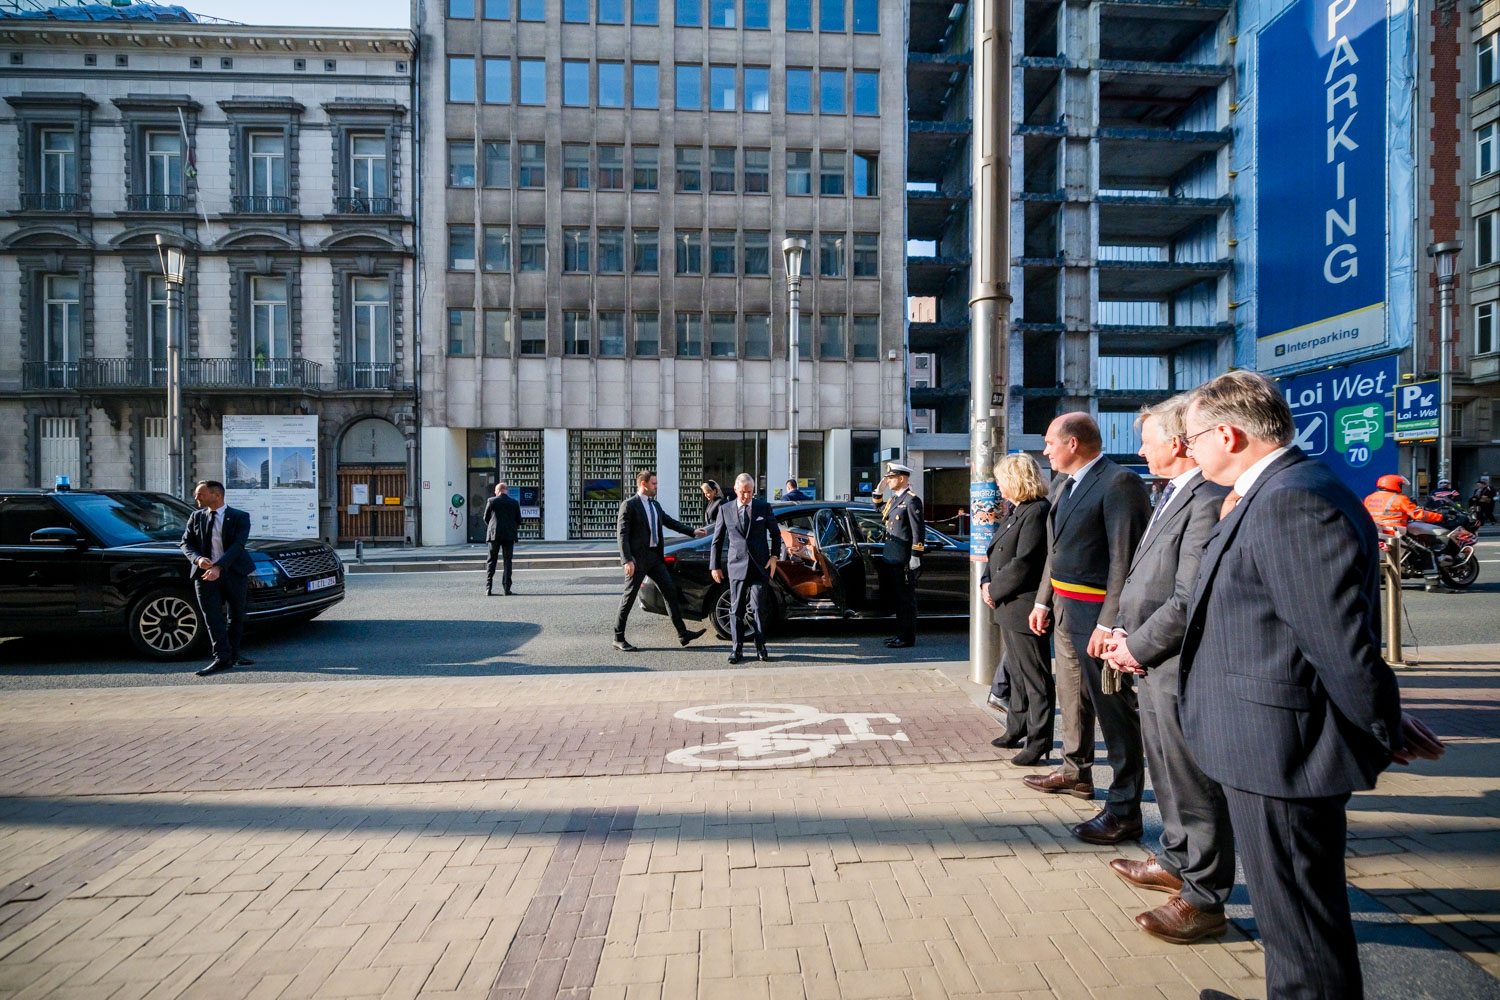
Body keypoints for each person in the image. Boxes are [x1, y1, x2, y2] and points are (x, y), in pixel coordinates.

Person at [1180, 370, 1445, 1000]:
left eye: (1192, 439)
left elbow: (1336, 639)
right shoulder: (1274, 490)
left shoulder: (1292, 499)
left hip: (1281, 752)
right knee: (1287, 916)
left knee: (1300, 922)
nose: (1188, 451)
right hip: (1266, 741)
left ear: (1227, 434)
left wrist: (1379, 723)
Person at [1099, 396, 1234, 946]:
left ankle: (1204, 898)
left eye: (1147, 440)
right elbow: (1144, 577)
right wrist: (1122, 631)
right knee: (1165, 770)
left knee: (1192, 781)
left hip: (1177, 662)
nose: (1141, 450)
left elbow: (1187, 597)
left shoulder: (1207, 498)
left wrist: (1137, 646)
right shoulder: (1173, 492)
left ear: (1177, 443)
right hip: (1152, 660)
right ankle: (1176, 861)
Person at [1025, 413, 1152, 844]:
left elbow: (1125, 560)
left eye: (1050, 442)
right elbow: (1056, 550)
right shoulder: (1065, 484)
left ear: (1073, 443)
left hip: (1097, 616)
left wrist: (1109, 623)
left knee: (1114, 712)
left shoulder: (1119, 483)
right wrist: (1043, 600)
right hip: (1066, 609)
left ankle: (1124, 809)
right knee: (1073, 698)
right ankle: (1075, 772)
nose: (1045, 450)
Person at [980, 453, 1053, 765]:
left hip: (1024, 605)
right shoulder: (1018, 511)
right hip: (1009, 605)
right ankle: (1016, 727)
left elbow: (1025, 562)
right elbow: (996, 551)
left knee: (1035, 678)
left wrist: (994, 589)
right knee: (1018, 675)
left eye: (1001, 480)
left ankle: (1039, 741)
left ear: (1016, 480)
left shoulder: (1036, 511)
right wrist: (986, 581)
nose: (998, 486)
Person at [613, 470, 708, 652]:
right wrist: (627, 560)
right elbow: (622, 534)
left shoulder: (654, 505)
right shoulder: (630, 505)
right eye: (654, 484)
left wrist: (692, 531)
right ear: (643, 484)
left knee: (670, 593)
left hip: (654, 558)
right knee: (629, 598)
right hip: (638, 560)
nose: (656, 487)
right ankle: (618, 638)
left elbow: (670, 522)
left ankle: (683, 634)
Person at [179, 480, 255, 677]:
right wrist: (198, 559)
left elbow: (238, 546)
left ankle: (234, 654)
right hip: (204, 574)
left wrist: (219, 566)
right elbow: (185, 543)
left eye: (201, 494)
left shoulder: (240, 517)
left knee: (236, 616)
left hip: (234, 572)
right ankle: (221, 658)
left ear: (216, 495)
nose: (196, 498)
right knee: (212, 617)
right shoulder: (196, 517)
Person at [710, 473, 784, 663]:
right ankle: (737, 649)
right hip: (736, 565)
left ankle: (761, 646)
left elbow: (776, 534)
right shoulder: (725, 509)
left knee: (758, 607)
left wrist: (774, 557)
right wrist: (714, 566)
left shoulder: (763, 507)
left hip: (760, 566)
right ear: (736, 490)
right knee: (736, 609)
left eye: (750, 492)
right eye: (743, 492)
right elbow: (717, 540)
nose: (746, 496)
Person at [1363, 474, 1445, 592]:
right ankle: (1433, 584)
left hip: (1376, 533)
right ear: (1395, 485)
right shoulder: (1399, 499)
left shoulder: (1369, 498)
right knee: (1426, 552)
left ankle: (1381, 577)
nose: (1401, 487)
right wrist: (1440, 517)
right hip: (1395, 534)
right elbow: (1418, 514)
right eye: (1400, 485)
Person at [876, 462, 924, 648]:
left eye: (891, 478)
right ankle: (899, 634)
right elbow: (879, 510)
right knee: (898, 599)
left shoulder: (911, 500)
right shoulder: (895, 499)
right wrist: (879, 492)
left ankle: (906, 637)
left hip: (904, 558)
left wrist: (915, 555)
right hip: (892, 556)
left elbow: (918, 531)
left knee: (906, 601)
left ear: (902, 478)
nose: (888, 481)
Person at [482, 482, 521, 596]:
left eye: (495, 490)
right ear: (506, 490)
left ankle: (488, 587)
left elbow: (486, 518)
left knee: (491, 560)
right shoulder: (514, 502)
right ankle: (506, 588)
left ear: (498, 490)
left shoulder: (491, 501)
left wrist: (493, 527)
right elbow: (518, 520)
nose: (495, 492)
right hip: (509, 535)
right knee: (507, 561)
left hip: (494, 534)